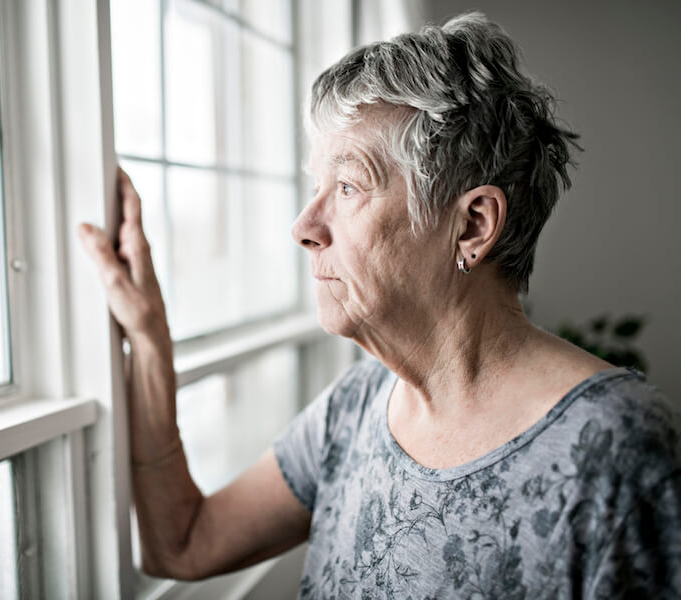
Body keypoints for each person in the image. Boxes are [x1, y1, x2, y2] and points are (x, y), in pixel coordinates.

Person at [78, 12, 681, 599]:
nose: (304, 226)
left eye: (347, 186)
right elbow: (183, 544)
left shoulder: (615, 449)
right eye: (314, 187)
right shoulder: (358, 403)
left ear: (472, 225)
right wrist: (151, 341)